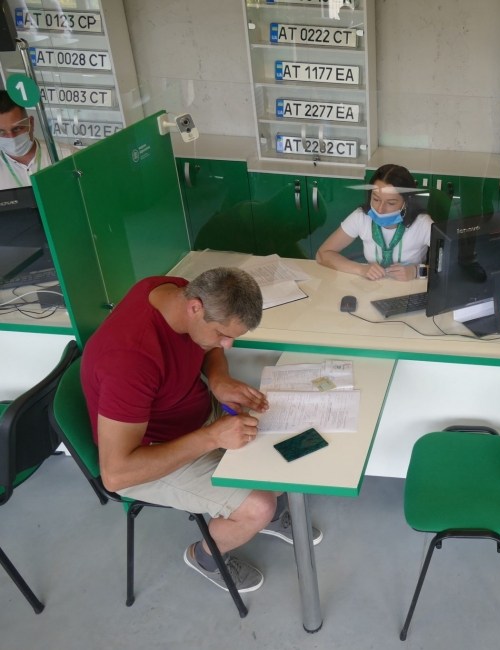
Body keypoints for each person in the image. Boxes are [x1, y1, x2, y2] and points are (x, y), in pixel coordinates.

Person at [81, 267, 322, 595]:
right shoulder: (129, 361)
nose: (228, 344)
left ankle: (268, 514)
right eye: (222, 333)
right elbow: (116, 475)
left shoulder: (177, 292)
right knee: (258, 507)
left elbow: (210, 348)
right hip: (150, 456)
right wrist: (211, 437)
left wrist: (219, 379)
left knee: (277, 443)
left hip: (192, 416)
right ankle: (207, 557)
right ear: (195, 307)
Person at [316, 163, 433, 281]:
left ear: (406, 202)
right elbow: (323, 254)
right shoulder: (361, 217)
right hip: (373, 285)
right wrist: (361, 269)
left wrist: (416, 271)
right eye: (376, 199)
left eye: (391, 203)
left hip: (411, 287)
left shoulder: (422, 224)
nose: (380, 209)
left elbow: (445, 267)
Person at [0, 90, 56, 190]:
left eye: (17, 128)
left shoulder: (66, 155)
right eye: (1, 132)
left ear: (31, 123)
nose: (11, 137)